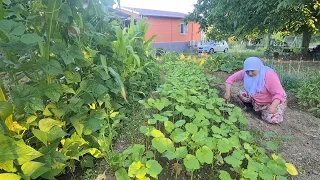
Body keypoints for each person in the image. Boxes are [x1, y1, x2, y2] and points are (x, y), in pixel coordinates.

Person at [224, 57, 286, 124]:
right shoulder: (245, 73)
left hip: (271, 101)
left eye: (252, 71)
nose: (250, 73)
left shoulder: (269, 75)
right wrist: (227, 93)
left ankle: (270, 110)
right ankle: (252, 107)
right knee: (242, 93)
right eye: (247, 71)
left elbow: (279, 93)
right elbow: (230, 80)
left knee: (272, 119)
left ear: (258, 68)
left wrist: (273, 106)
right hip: (256, 98)